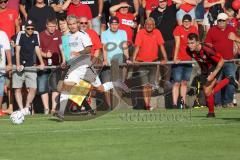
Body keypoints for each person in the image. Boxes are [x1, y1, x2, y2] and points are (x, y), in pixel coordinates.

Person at [54, 15, 130, 120]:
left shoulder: (83, 35)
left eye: (74, 24)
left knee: (100, 88)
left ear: (77, 24)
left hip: (85, 67)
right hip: (74, 68)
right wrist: (66, 62)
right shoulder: (68, 37)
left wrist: (79, 53)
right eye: (70, 24)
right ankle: (61, 113)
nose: (72, 26)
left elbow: (89, 49)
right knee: (66, 87)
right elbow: (69, 54)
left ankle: (116, 83)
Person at [186, 33, 239, 117]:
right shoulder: (189, 50)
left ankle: (211, 112)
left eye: (192, 43)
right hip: (205, 70)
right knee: (208, 92)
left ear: (198, 42)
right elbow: (200, 60)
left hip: (215, 66)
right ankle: (228, 80)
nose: (190, 45)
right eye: (188, 43)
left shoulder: (206, 49)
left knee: (207, 92)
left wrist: (213, 74)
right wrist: (203, 71)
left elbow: (221, 61)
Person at [133, 17, 168, 110]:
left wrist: (165, 58)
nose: (149, 26)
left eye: (151, 24)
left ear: (154, 25)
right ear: (145, 25)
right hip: (142, 63)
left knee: (150, 85)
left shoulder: (157, 32)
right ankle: (147, 105)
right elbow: (137, 47)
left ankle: (148, 103)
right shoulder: (140, 32)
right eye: (147, 24)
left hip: (153, 62)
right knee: (145, 85)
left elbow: (161, 46)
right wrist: (133, 59)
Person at [205, 13, 238, 108]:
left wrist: (236, 49)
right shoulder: (212, 30)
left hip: (229, 60)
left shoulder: (231, 29)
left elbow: (236, 41)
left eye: (223, 20)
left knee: (231, 81)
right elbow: (207, 45)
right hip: (216, 61)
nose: (221, 22)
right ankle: (217, 103)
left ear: (227, 21)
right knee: (216, 82)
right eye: (219, 20)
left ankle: (228, 102)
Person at [13, 19, 45, 112]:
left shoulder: (36, 34)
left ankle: (27, 108)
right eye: (28, 28)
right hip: (19, 64)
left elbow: (37, 49)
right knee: (17, 88)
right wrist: (18, 65)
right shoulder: (21, 34)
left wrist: (42, 62)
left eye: (32, 28)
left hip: (31, 65)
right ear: (25, 28)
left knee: (33, 88)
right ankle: (21, 108)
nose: (30, 30)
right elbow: (17, 51)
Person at [101, 16, 131, 107]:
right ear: (109, 25)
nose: (114, 26)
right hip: (109, 62)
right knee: (106, 84)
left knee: (118, 83)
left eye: (116, 24)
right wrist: (105, 60)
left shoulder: (123, 33)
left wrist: (127, 58)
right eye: (112, 24)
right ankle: (109, 106)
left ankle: (116, 105)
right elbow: (104, 47)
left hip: (119, 63)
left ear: (118, 24)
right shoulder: (104, 34)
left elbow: (124, 46)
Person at [38, 18, 66, 114]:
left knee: (55, 87)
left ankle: (53, 109)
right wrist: (45, 55)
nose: (52, 28)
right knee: (43, 87)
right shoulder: (41, 35)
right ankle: (46, 108)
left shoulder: (59, 34)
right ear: (46, 25)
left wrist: (63, 61)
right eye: (50, 26)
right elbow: (37, 50)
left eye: (54, 26)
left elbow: (62, 49)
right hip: (44, 66)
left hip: (56, 66)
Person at [172, 14, 198, 109]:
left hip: (188, 59)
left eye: (188, 21)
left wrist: (195, 57)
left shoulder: (194, 29)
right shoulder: (178, 29)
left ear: (191, 22)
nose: (186, 23)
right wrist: (175, 58)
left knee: (184, 82)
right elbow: (177, 44)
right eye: (184, 21)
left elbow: (195, 44)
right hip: (179, 59)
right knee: (176, 82)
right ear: (182, 22)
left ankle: (182, 104)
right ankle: (174, 104)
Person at [0, 30, 12, 116]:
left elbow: (7, 50)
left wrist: (10, 63)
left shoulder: (3, 34)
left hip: (1, 69)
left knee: (0, 91)